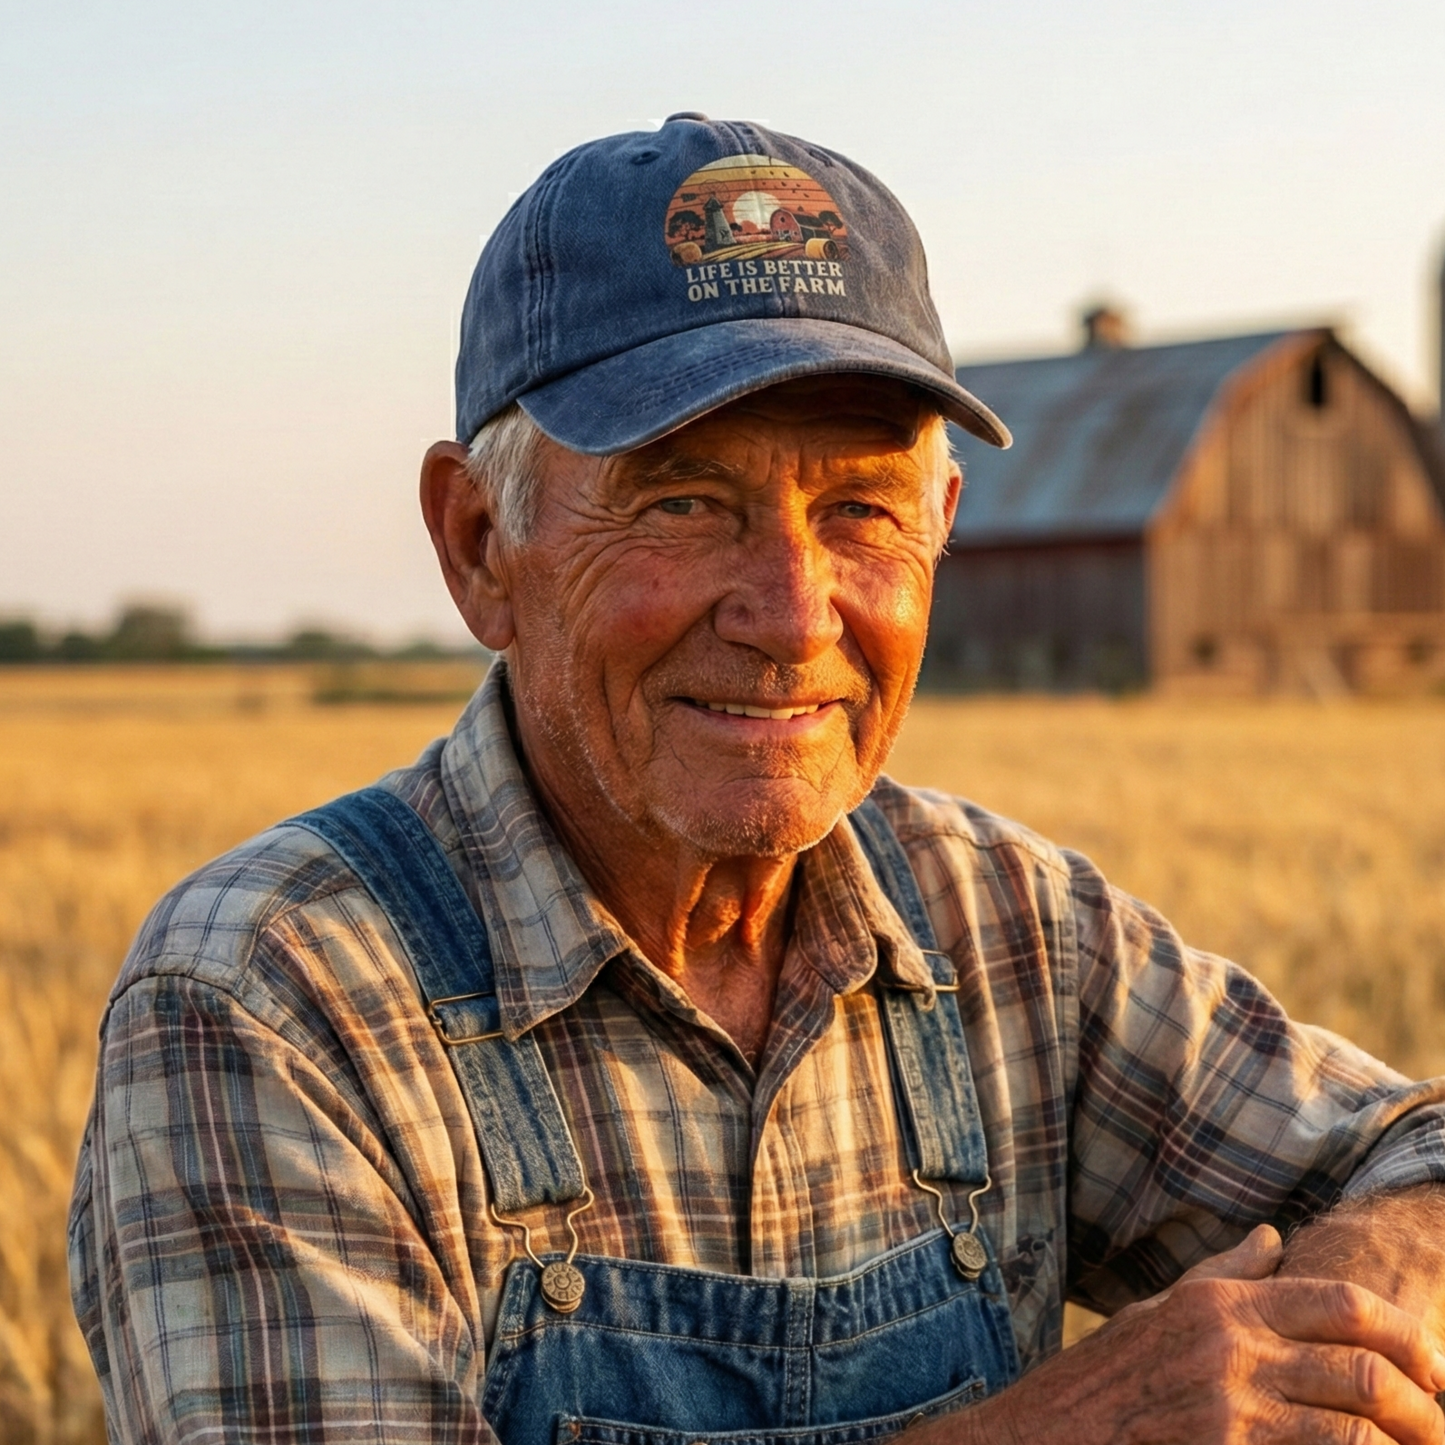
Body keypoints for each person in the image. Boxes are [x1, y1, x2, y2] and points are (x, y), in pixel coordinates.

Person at [70, 114, 1445, 1445]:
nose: (792, 615)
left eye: (859, 510)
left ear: (943, 532)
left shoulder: (1006, 929)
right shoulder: (272, 995)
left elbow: (1419, 1165)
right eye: (683, 502)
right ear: (481, 543)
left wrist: (1330, 1339)